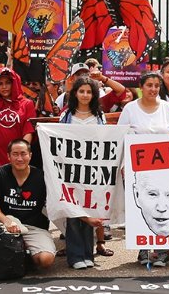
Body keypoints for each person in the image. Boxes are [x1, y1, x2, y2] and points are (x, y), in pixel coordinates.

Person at [115, 72, 169, 267]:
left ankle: (161, 251)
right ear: (141, 87)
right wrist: (124, 165)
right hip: (136, 168)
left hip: (164, 168)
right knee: (140, 207)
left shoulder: (167, 108)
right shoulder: (130, 109)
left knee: (162, 207)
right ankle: (143, 250)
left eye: (156, 86)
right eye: (149, 85)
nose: (153, 89)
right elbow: (121, 136)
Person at [0, 139, 55, 270]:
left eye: (23, 154)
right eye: (15, 154)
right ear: (8, 156)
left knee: (45, 260)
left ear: (30, 155)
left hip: (34, 227)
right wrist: (6, 221)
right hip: (6, 223)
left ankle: (20, 257)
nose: (20, 158)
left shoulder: (42, 177)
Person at [57, 78, 112, 267]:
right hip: (71, 171)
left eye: (89, 92)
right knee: (73, 212)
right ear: (75, 93)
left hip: (92, 171)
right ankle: (75, 256)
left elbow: (105, 141)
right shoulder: (66, 115)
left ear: (94, 95)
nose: (85, 95)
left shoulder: (99, 116)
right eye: (82, 91)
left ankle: (88, 255)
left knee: (89, 211)